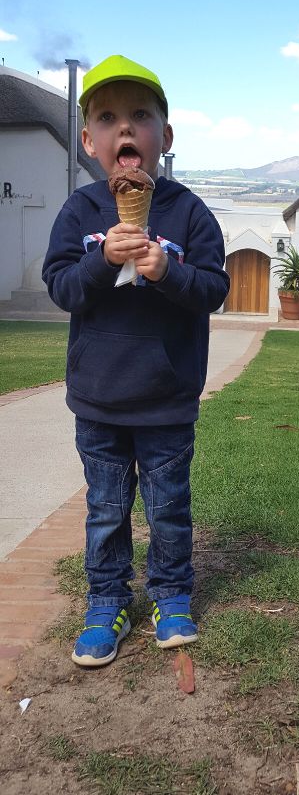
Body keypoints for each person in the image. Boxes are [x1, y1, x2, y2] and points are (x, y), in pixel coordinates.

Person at [43, 55, 230, 667]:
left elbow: (213, 289)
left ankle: (172, 593)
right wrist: (101, 262)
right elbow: (63, 287)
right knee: (105, 509)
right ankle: (106, 601)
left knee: (170, 508)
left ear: (165, 138)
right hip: (98, 397)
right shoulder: (80, 213)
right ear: (90, 142)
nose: (126, 129)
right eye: (108, 118)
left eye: (141, 116)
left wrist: (167, 270)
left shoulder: (189, 213)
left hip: (166, 397)